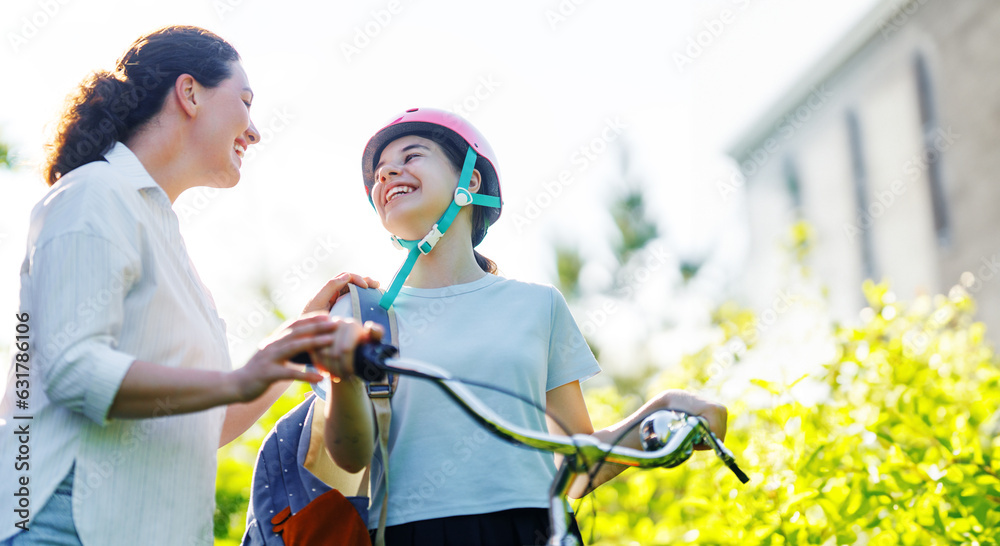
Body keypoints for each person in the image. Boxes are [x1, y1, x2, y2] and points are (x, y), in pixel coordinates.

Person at [0, 26, 374, 545]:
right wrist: (237, 379)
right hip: (68, 523)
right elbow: (74, 370)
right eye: (245, 101)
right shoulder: (95, 194)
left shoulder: (164, 236)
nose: (256, 131)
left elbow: (206, 427)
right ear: (190, 92)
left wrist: (293, 347)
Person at [312, 108, 729, 545]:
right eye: (379, 173)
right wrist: (339, 372)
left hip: (534, 531)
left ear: (470, 183)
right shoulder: (359, 314)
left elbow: (576, 464)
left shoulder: (537, 305)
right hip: (409, 535)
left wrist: (658, 414)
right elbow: (348, 460)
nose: (387, 173)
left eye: (412, 156)